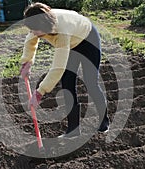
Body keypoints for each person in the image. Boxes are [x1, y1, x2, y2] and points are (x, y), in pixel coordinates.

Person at [20, 2, 109, 138]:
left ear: (44, 26)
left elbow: (58, 68)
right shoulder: (38, 23)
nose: (32, 33)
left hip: (88, 40)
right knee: (67, 84)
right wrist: (27, 62)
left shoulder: (62, 31)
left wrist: (39, 93)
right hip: (72, 44)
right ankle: (73, 130)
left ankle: (104, 123)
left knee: (91, 83)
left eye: (34, 30)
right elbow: (30, 41)